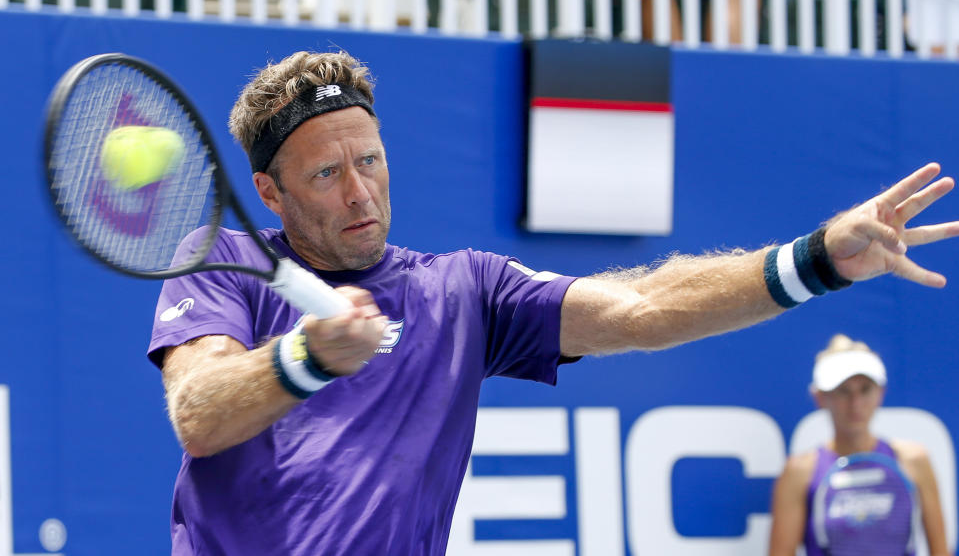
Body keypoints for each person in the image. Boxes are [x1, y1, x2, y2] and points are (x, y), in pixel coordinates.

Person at [148, 49, 959, 555]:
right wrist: (304, 356)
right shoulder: (226, 261)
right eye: (327, 173)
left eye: (369, 159)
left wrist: (813, 258)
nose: (360, 191)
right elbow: (201, 411)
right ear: (269, 191)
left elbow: (642, 307)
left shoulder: (464, 289)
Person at [768, 335, 951, 556]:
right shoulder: (799, 472)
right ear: (820, 397)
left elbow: (941, 552)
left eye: (865, 389)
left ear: (880, 393)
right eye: (844, 390)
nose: (856, 403)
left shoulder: (914, 461)